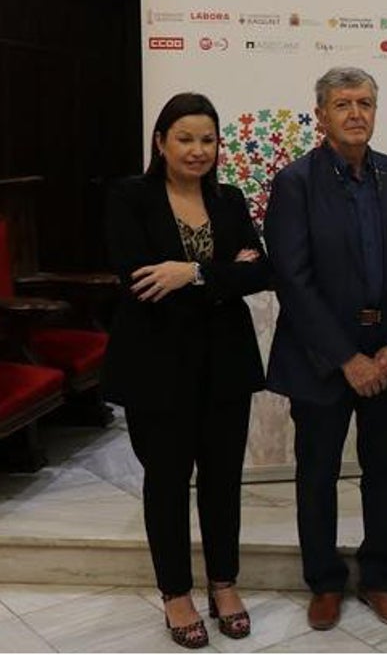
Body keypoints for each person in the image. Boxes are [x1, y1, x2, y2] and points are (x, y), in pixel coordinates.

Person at [264, 67, 387, 632]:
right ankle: (325, 582)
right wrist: (348, 358)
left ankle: (382, 579)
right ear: (321, 115)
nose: (356, 113)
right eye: (343, 104)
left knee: (384, 473)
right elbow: (293, 278)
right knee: (317, 473)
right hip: (323, 357)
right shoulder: (295, 183)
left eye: (365, 103)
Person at [104, 93, 270, 649]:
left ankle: (224, 584)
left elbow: (261, 272)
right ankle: (176, 593)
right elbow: (140, 279)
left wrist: (191, 273)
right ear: (160, 142)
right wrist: (223, 274)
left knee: (223, 480)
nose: (198, 150)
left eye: (208, 139)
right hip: (156, 364)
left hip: (225, 363)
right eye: (185, 138)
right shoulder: (131, 197)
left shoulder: (229, 199)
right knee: (168, 481)